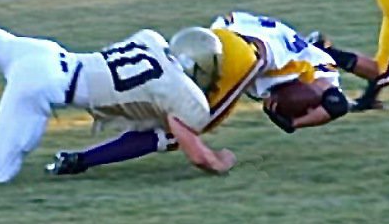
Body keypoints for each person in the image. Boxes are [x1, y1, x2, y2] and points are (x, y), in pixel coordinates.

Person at [0, 0, 236, 189]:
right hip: (44, 83)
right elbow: (194, 151)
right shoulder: (182, 94)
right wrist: (217, 161)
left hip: (42, 51)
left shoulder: (150, 39)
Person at [46, 11, 349, 175]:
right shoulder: (319, 70)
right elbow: (336, 104)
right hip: (246, 56)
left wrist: (292, 121)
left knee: (172, 116)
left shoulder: (288, 53)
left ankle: (80, 154)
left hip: (234, 45)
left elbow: (342, 100)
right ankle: (80, 160)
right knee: (179, 126)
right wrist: (214, 159)